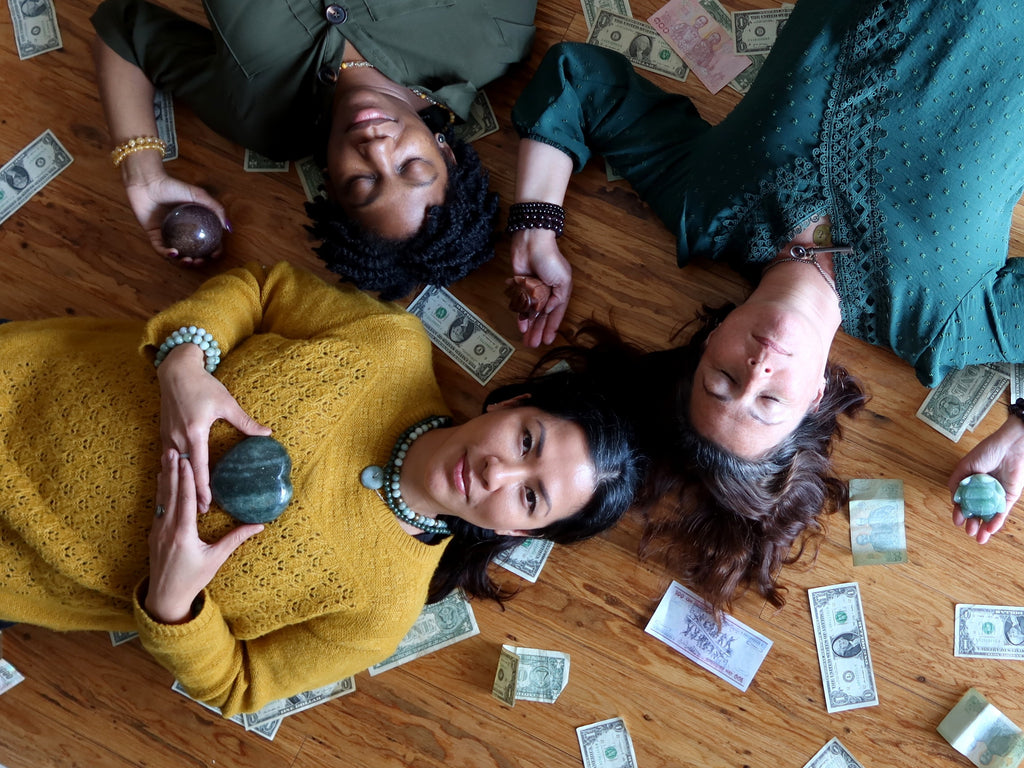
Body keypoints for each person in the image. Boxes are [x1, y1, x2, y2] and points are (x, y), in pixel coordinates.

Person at [504, 1, 1024, 608]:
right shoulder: (942, 323)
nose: (756, 371)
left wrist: (535, 226)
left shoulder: (705, 206)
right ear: (816, 398)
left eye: (722, 380)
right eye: (769, 401)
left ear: (709, 342)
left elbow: (578, 80)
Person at [0, 262, 642, 716]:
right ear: (517, 403)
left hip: (23, 558)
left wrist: (174, 604)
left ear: (517, 531)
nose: (499, 473)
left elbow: (238, 687)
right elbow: (262, 289)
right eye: (527, 441)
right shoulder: (391, 344)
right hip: (27, 376)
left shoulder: (381, 614)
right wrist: (186, 360)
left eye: (529, 497)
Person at [90, 0, 535, 296]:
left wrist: (143, 173)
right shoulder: (493, 35)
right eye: (411, 166)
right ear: (447, 152)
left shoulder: (262, 120)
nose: (376, 149)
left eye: (362, 183)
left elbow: (122, 29)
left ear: (331, 187)